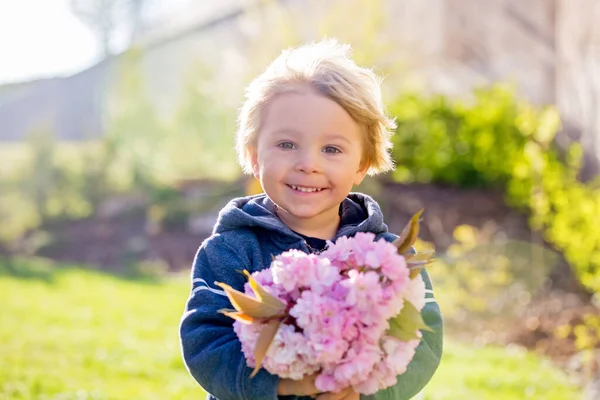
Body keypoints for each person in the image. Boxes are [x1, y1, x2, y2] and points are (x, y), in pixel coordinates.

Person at [179, 38, 443, 400]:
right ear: (255, 156)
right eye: (287, 144)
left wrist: (366, 392)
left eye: (331, 149)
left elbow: (422, 341)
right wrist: (281, 385)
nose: (309, 163)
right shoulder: (230, 251)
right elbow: (205, 344)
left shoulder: (388, 259)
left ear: (361, 165)